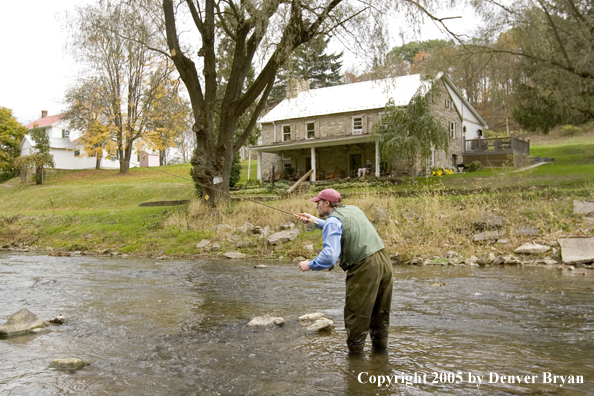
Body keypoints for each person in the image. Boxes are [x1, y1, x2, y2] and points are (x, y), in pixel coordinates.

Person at [297, 188, 393, 354]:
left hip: (365, 265)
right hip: (384, 260)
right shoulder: (353, 209)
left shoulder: (333, 221)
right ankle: (380, 354)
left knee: (356, 313)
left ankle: (355, 359)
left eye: (318, 203)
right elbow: (340, 226)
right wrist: (315, 221)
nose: (316, 206)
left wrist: (310, 265)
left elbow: (329, 257)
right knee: (380, 311)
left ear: (327, 203)